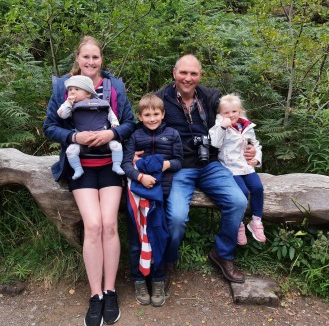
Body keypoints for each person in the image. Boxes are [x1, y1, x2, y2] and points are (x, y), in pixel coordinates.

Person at [43, 35, 136, 326]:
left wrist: (112, 134)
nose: (91, 62)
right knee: (93, 225)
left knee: (109, 224)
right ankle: (95, 295)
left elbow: (130, 123)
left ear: (101, 60)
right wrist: (74, 136)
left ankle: (111, 291)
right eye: (86, 57)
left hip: (110, 166)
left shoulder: (115, 88)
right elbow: (50, 126)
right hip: (80, 167)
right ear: (78, 59)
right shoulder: (63, 87)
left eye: (96, 57)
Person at [155, 54, 256, 284]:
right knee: (177, 218)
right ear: (174, 73)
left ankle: (222, 253)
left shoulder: (211, 97)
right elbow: (147, 129)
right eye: (183, 72)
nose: (188, 78)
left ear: (200, 76)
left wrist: (249, 147)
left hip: (211, 164)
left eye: (193, 73)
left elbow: (238, 121)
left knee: (238, 201)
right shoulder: (161, 99)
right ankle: (168, 261)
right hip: (179, 167)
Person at [121, 93, 183, 307]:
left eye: (156, 113)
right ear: (140, 115)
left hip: (161, 195)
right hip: (138, 196)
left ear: (163, 114)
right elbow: (125, 164)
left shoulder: (173, 134)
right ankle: (139, 279)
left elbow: (178, 161)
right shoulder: (135, 136)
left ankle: (158, 279)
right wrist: (140, 176)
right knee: (136, 240)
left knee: (159, 236)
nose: (152, 118)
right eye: (147, 114)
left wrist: (164, 165)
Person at [209, 94, 265, 245]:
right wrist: (222, 126)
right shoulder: (219, 127)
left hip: (246, 166)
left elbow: (256, 145)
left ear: (239, 111)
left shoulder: (246, 126)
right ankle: (238, 224)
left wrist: (256, 158)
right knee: (243, 192)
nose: (230, 115)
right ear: (220, 114)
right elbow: (214, 143)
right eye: (226, 112)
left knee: (258, 188)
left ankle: (256, 221)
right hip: (229, 168)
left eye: (234, 111)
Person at [57, 75, 125, 180]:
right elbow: (62, 115)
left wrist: (114, 124)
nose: (72, 92)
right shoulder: (71, 106)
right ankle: (77, 168)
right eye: (70, 89)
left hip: (103, 139)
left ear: (88, 93)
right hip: (82, 141)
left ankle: (116, 165)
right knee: (70, 151)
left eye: (76, 89)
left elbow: (110, 113)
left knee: (116, 146)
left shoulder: (100, 103)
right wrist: (68, 102)